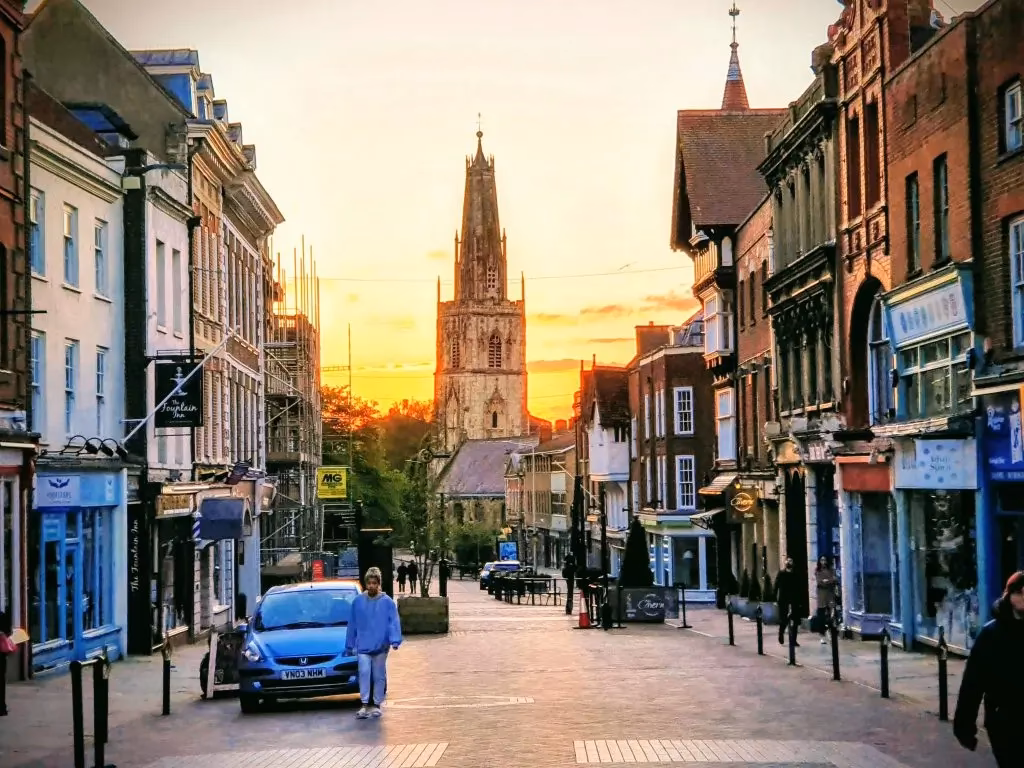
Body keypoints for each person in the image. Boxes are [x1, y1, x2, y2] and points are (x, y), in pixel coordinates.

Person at [953, 571, 1024, 767]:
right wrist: (964, 725)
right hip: (1005, 722)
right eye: (1019, 592)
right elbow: (973, 683)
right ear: (1008, 595)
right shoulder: (991, 634)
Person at [345, 567, 403, 719]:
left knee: (379, 675)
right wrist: (350, 644)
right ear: (365, 584)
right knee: (364, 672)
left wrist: (395, 640)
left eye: (374, 583)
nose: (371, 586)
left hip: (380, 646)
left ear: (379, 584)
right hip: (363, 645)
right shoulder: (358, 602)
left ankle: (377, 704)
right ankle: (364, 704)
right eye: (369, 583)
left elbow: (393, 621)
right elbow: (352, 624)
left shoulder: (387, 602)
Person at [774, 558, 801, 647]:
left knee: (795, 621)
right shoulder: (781, 573)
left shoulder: (796, 574)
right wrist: (774, 598)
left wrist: (800, 600)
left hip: (794, 599)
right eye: (787, 561)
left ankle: (794, 640)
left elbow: (799, 587)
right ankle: (781, 633)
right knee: (784, 619)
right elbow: (776, 586)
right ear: (785, 563)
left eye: (790, 561)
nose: (789, 562)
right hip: (783, 599)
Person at [814, 555, 838, 644]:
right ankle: (822, 635)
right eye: (821, 560)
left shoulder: (831, 570)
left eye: (824, 560)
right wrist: (829, 581)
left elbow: (835, 580)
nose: (823, 562)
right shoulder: (818, 570)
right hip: (821, 597)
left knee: (831, 616)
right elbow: (820, 582)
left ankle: (830, 632)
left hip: (830, 596)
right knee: (821, 617)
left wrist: (827, 581)